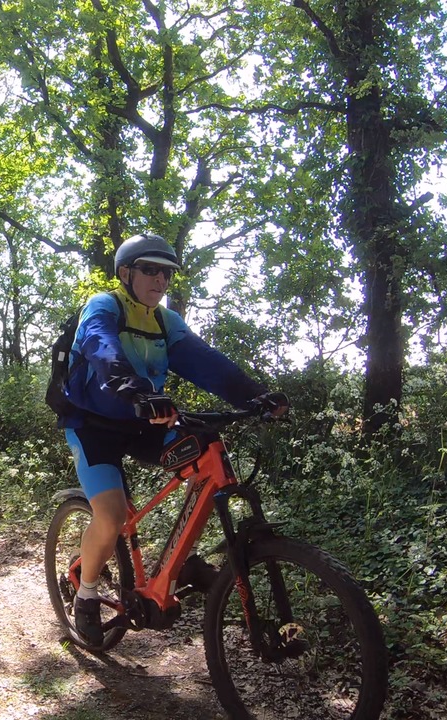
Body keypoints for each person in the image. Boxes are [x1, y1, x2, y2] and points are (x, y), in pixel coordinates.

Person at [61, 233, 288, 646]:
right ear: (125, 273)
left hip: (143, 420)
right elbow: (101, 347)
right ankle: (86, 594)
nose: (160, 280)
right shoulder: (104, 306)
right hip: (92, 425)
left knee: (204, 451)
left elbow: (207, 364)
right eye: (150, 270)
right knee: (111, 516)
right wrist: (135, 389)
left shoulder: (166, 322)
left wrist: (255, 396)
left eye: (166, 273)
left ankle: (179, 561)